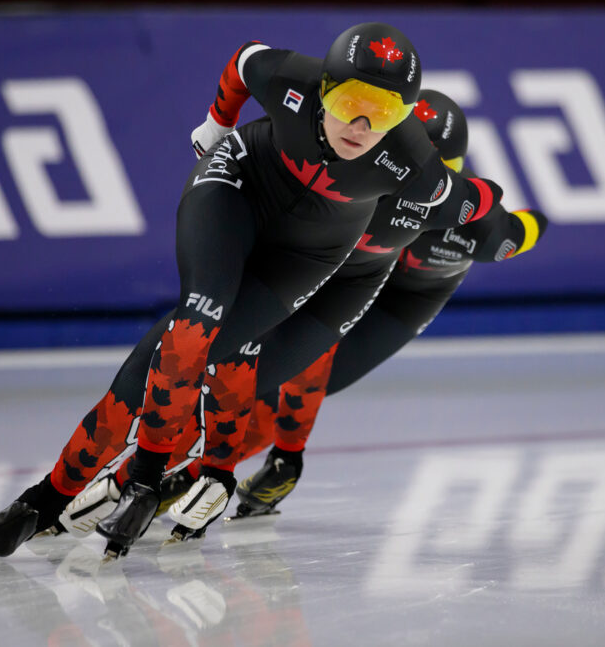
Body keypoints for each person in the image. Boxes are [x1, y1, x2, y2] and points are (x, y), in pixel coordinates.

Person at [0, 22, 503, 558]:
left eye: (383, 112)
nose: (361, 124)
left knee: (212, 366)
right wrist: (217, 122)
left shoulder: (419, 176)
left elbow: (480, 204)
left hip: (309, 256)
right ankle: (108, 489)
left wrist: (491, 215)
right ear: (323, 88)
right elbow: (246, 59)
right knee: (192, 330)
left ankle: (125, 484)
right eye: (350, 101)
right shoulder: (291, 80)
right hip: (240, 188)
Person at [60, 89, 546, 542]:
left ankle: (178, 475)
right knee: (253, 368)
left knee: (298, 378)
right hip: (356, 273)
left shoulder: (476, 230)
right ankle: (150, 473)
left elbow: (527, 229)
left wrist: (288, 455)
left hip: (405, 299)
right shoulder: (355, 191)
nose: (413, 192)